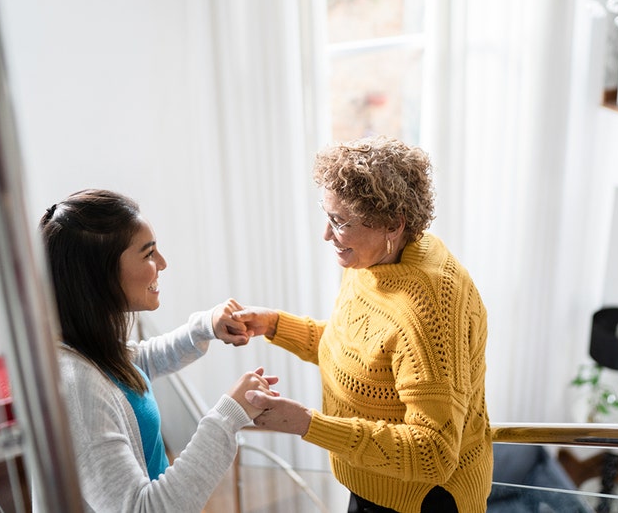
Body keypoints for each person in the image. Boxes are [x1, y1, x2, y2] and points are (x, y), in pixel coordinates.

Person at [217, 135, 493, 513]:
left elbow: (434, 452)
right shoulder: (374, 261)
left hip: (420, 500)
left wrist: (308, 424)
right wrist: (275, 325)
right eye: (326, 215)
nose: (326, 235)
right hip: (374, 480)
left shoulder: (429, 309)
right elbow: (356, 351)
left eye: (339, 221)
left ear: (393, 224)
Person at [39, 188, 278, 512]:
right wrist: (228, 416)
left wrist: (206, 325)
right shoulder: (78, 389)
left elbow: (139, 362)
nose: (163, 263)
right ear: (101, 274)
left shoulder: (88, 348)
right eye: (149, 254)